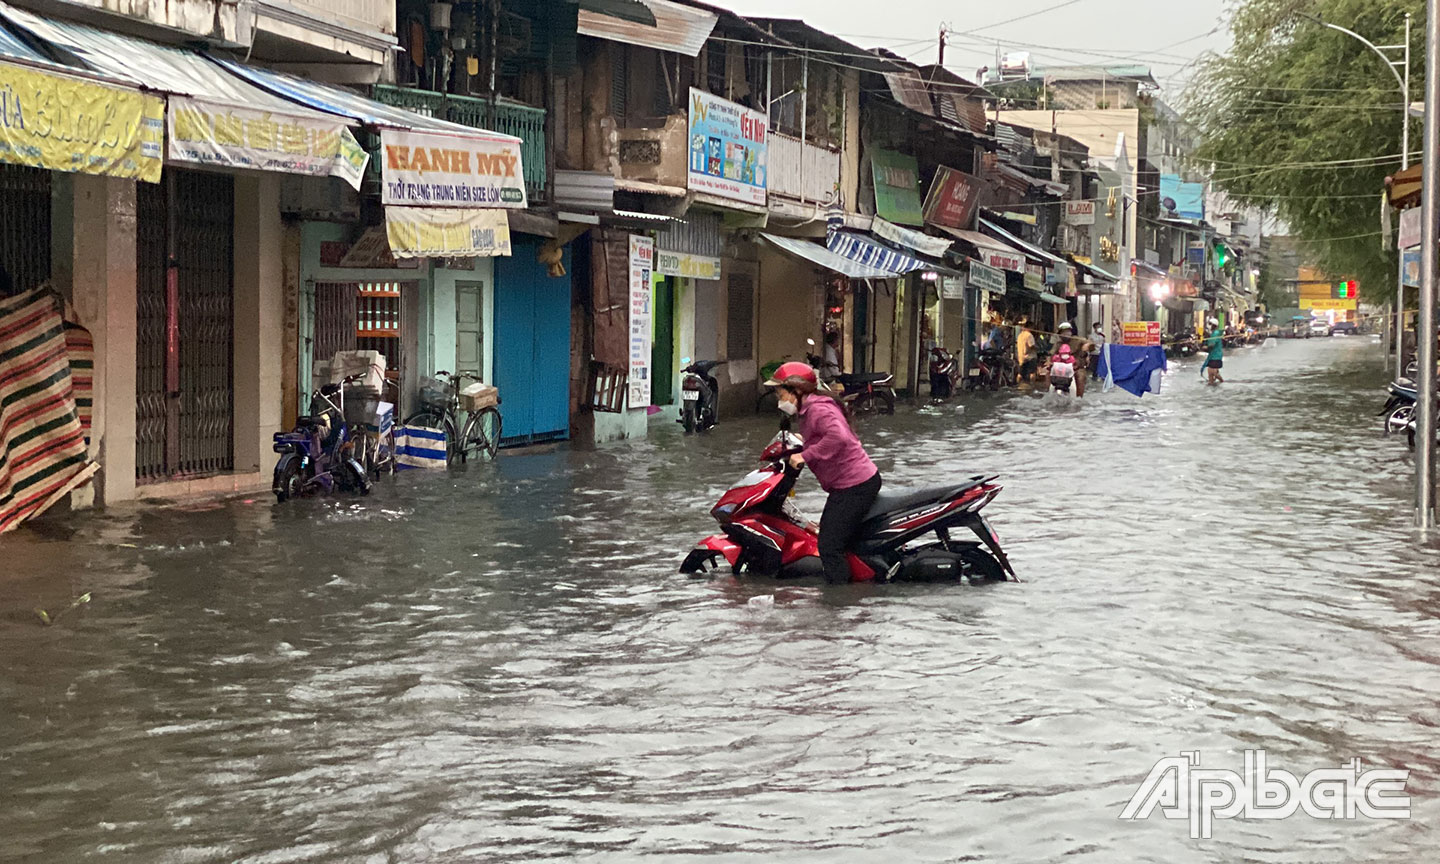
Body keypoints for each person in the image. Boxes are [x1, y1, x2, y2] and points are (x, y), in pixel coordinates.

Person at [766, 362, 881, 585]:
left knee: (829, 546)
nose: (779, 400)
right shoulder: (808, 410)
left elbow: (839, 437)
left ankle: (839, 598)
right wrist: (803, 442)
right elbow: (825, 434)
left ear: (797, 390)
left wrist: (805, 455)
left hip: (854, 485)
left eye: (781, 394)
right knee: (837, 538)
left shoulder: (818, 409)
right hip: (849, 484)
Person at [1203, 317, 1224, 385]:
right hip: (1213, 356)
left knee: (1213, 372)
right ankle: (1211, 384)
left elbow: (1212, 345)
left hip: (1215, 356)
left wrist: (1205, 347)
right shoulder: (1213, 333)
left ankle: (1221, 381)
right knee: (1211, 373)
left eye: (1209, 324)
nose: (1208, 325)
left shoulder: (1215, 334)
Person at [1015, 319, 1037, 384]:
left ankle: (1018, 384)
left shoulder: (1020, 335)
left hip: (1021, 357)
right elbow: (1031, 345)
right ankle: (1032, 384)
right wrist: (1037, 348)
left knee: (1020, 373)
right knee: (1032, 372)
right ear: (1030, 327)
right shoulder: (1029, 335)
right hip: (1030, 357)